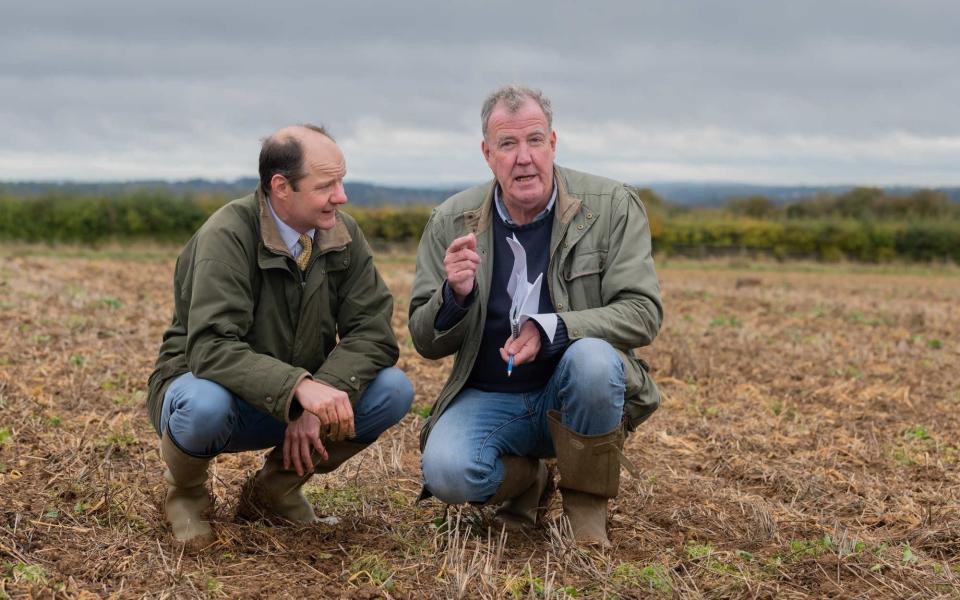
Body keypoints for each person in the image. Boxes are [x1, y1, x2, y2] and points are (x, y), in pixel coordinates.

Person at [408, 86, 662, 546]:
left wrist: (556, 329)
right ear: (488, 154)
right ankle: (528, 482)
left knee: (593, 360)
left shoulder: (612, 207)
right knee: (446, 472)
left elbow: (642, 314)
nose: (523, 157)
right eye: (507, 144)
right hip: (490, 397)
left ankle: (587, 512)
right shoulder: (450, 221)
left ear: (553, 144)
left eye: (535, 141)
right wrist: (456, 295)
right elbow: (426, 343)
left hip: (572, 396)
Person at [146, 124, 413, 547]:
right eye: (326, 185)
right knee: (203, 405)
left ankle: (275, 490)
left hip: (292, 398)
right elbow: (210, 347)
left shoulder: (343, 236)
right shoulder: (227, 235)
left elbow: (374, 333)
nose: (341, 196)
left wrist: (317, 394)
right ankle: (187, 495)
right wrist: (298, 390)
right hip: (213, 393)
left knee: (393, 389)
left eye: (341, 181)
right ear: (281, 187)